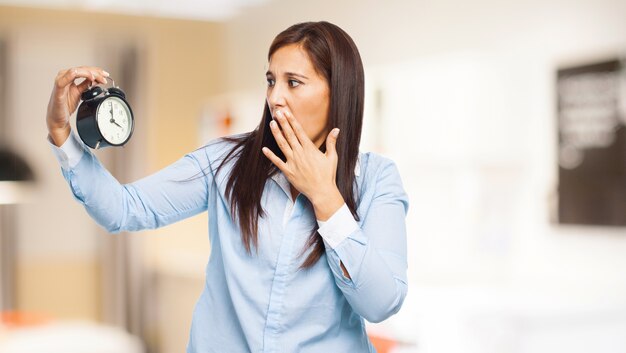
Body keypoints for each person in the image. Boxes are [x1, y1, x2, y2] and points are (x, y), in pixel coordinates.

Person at [46, 21, 409, 353]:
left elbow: (380, 303)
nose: (275, 97)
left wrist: (325, 197)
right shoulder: (225, 161)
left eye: (293, 82)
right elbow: (124, 209)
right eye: (271, 80)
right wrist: (63, 134)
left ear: (338, 91)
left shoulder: (377, 179)